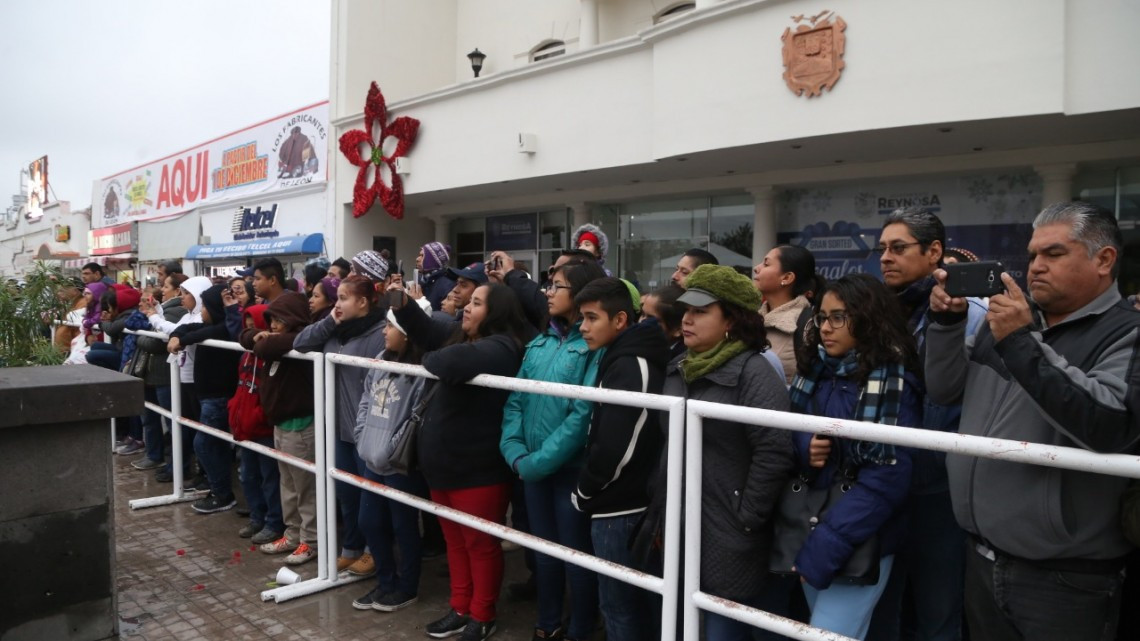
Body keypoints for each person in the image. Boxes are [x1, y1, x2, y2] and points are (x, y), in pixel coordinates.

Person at [926, 201, 1139, 641]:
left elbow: (1107, 425)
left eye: (1054, 254)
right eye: (1033, 255)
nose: (1035, 266)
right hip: (980, 557)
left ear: (1104, 260)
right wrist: (946, 323)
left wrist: (1021, 342)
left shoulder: (1128, 333)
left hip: (1064, 580)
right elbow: (944, 389)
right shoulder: (1007, 321)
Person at [654, 264, 793, 641]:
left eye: (700, 312)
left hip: (729, 530)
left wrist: (745, 517)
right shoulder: (680, 366)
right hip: (681, 523)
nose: (687, 319)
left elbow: (774, 451)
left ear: (731, 320)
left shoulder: (754, 371)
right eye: (686, 311)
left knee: (722, 628)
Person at [390, 281, 533, 641]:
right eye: (469, 302)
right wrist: (403, 304)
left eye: (477, 303)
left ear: (497, 312)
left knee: (480, 546)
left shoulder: (502, 347)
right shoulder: (465, 338)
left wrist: (429, 358)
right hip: (444, 467)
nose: (467, 307)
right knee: (455, 543)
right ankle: (460, 608)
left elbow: (445, 360)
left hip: (477, 470)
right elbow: (427, 334)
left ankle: (482, 616)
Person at [869, 208, 988, 641]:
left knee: (937, 612)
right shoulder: (879, 313)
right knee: (883, 611)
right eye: (882, 248)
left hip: (939, 486)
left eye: (898, 247)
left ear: (934, 251)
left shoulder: (971, 314)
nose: (886, 257)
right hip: (882, 480)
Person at [787, 273, 920, 640]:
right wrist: (804, 444)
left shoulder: (894, 383)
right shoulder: (815, 371)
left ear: (868, 318)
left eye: (838, 317)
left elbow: (888, 477)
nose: (826, 328)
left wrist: (825, 547)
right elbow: (786, 431)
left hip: (859, 539)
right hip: (813, 528)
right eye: (822, 317)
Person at [500, 260, 607, 641]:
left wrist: (538, 462)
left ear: (580, 294)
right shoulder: (540, 343)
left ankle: (582, 626)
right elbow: (516, 400)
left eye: (556, 286)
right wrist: (515, 452)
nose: (547, 292)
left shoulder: (592, 348)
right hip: (530, 466)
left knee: (576, 555)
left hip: (569, 470)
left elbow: (582, 415)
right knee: (543, 552)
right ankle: (548, 623)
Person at [571, 277, 668, 641]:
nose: (582, 327)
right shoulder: (622, 355)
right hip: (620, 504)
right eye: (581, 318)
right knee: (626, 607)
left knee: (620, 608)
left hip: (622, 509)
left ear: (621, 320)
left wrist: (585, 489)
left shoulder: (632, 364)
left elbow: (619, 446)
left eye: (591, 318)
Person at [294, 275, 387, 575]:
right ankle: (351, 548)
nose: (338, 304)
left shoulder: (379, 332)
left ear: (363, 302)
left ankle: (374, 551)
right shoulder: (335, 330)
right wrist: (330, 321)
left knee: (370, 497)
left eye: (344, 298)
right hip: (337, 427)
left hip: (367, 429)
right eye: (337, 298)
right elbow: (300, 343)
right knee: (347, 494)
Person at [350, 297, 433, 613]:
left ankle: (407, 587)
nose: (384, 332)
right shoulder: (381, 360)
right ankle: (385, 582)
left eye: (390, 326)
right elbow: (365, 401)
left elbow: (414, 417)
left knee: (404, 526)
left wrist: (389, 449)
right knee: (369, 521)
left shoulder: (421, 371)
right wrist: (363, 438)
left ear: (407, 333)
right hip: (372, 457)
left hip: (399, 463)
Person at [241, 291, 319, 566]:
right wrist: (255, 336)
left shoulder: (301, 341)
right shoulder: (277, 340)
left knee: (306, 489)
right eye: (271, 320)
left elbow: (264, 347)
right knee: (288, 485)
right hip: (281, 425)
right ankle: (293, 534)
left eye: (278, 320)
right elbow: (246, 338)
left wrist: (261, 340)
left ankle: (311, 541)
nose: (272, 326)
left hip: (302, 426)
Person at [168, 284, 242, 514]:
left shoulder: (223, 329)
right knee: (213, 444)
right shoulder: (209, 326)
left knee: (204, 443)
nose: (201, 311)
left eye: (205, 307)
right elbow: (188, 328)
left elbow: (199, 333)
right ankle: (218, 490)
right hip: (208, 396)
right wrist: (176, 336)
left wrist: (182, 340)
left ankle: (222, 493)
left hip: (218, 397)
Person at [146, 276, 212, 489]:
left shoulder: (201, 317)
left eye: (187, 294)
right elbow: (176, 329)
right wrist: (157, 313)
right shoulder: (188, 315)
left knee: (201, 431)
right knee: (190, 427)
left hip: (195, 380)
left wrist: (154, 317)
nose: (182, 297)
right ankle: (200, 472)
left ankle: (206, 475)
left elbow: (177, 331)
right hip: (184, 378)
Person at [228, 303, 285, 545]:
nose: (253, 333)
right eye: (248, 328)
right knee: (248, 475)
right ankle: (256, 517)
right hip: (245, 426)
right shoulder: (246, 354)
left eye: (256, 327)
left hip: (262, 427)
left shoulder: (272, 356)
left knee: (269, 478)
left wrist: (259, 415)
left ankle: (273, 522)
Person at [133, 275, 189, 475]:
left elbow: (157, 343)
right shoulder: (163, 309)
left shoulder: (176, 312)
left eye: (165, 286)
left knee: (173, 423)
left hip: (165, 375)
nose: (162, 290)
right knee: (151, 417)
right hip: (154, 373)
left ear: (178, 290)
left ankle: (177, 468)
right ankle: (157, 457)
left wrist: (140, 338)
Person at [754, 245, 816, 385]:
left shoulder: (807, 324)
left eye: (766, 264)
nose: (756, 268)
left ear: (787, 278)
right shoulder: (750, 321)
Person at [640, 283, 686, 361]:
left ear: (678, 329)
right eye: (642, 314)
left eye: (651, 318)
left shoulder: (680, 362)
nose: (641, 322)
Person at [417, 241, 456, 311]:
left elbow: (445, 315)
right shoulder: (421, 280)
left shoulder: (447, 286)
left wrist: (420, 301)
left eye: (422, 256)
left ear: (432, 261)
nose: (417, 259)